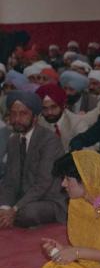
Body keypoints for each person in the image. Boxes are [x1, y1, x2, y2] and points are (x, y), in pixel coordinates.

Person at [0, 91, 65, 229]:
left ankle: (13, 216)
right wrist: (5, 208)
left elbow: (43, 183)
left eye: (23, 114)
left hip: (48, 199)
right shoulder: (13, 141)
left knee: (27, 213)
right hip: (22, 198)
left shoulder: (49, 140)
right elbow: (9, 181)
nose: (16, 119)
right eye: (13, 113)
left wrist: (14, 209)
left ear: (35, 117)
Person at [36, 83, 87, 152]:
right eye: (44, 108)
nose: (49, 112)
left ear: (62, 105)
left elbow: (87, 150)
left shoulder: (76, 122)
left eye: (53, 107)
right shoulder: (39, 122)